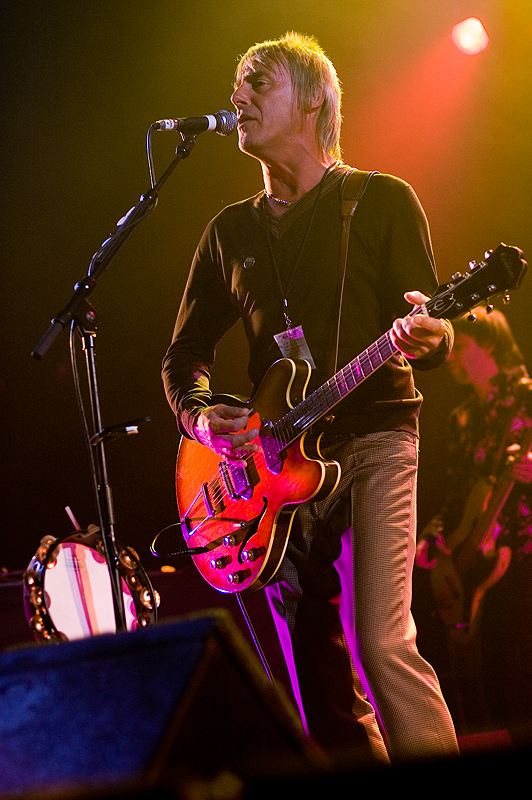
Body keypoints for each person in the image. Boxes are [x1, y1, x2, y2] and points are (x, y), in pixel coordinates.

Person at [162, 32, 459, 765]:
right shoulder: (230, 231)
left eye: (258, 82)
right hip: (275, 466)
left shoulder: (381, 200)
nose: (238, 97)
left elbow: (433, 325)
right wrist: (201, 416)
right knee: (309, 675)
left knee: (381, 644)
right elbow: (184, 353)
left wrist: (435, 336)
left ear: (314, 99)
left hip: (377, 437)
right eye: (237, 85)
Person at [416, 308, 532, 747]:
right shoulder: (461, 419)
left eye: (460, 347)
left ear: (490, 345)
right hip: (480, 568)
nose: (450, 358)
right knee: (495, 678)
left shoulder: (527, 398)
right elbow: (458, 495)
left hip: (525, 553)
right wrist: (432, 538)